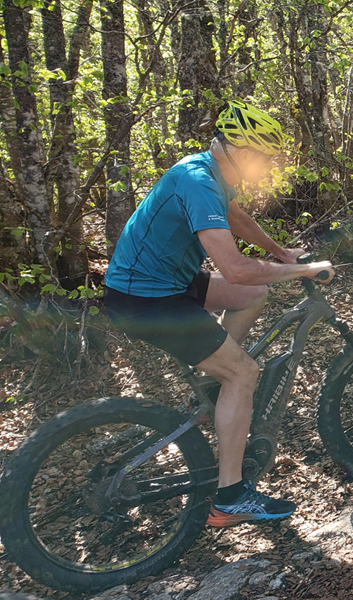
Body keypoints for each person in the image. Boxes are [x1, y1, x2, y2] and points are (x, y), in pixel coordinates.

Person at [104, 100, 335, 527]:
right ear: (244, 153)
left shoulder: (208, 172)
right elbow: (236, 269)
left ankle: (218, 390)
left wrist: (280, 251)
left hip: (162, 283)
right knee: (245, 372)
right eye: (265, 158)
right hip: (146, 299)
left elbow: (233, 217)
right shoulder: (196, 181)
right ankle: (229, 497)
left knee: (252, 297)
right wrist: (304, 269)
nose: (267, 167)